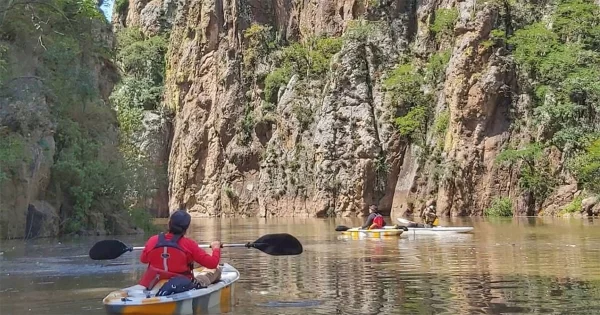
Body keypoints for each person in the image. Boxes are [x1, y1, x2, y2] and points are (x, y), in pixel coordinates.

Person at [138, 209, 222, 293]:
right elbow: (212, 263)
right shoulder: (189, 244)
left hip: (153, 284)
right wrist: (216, 248)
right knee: (216, 271)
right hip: (182, 286)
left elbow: (143, 260)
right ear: (186, 228)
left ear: (169, 224)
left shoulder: (152, 240)